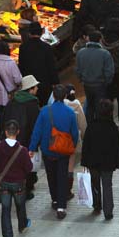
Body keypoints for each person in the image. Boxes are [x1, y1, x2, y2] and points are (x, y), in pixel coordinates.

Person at [29, 84, 79, 220]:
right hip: (63, 151)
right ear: (64, 96)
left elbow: (37, 131)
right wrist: (72, 146)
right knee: (62, 176)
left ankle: (55, 200)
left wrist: (32, 148)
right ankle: (62, 206)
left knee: (51, 176)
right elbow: (74, 133)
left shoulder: (45, 111)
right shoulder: (70, 113)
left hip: (47, 149)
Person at [0, 119, 33, 237]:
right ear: (18, 132)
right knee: (20, 206)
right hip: (19, 184)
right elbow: (29, 168)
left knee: (5, 209)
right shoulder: (22, 150)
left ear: (5, 132)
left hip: (4, 184)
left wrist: (0, 171)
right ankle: (22, 225)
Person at [80, 98, 119, 220]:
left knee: (95, 183)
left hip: (93, 162)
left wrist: (84, 161)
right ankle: (108, 211)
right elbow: (117, 147)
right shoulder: (112, 127)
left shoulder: (91, 126)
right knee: (107, 185)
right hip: (108, 163)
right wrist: (117, 162)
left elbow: (86, 145)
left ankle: (96, 204)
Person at [3, 75, 41, 199]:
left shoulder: (12, 102)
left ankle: (17, 188)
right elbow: (36, 125)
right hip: (27, 140)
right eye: (35, 87)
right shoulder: (32, 103)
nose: (37, 89)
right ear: (30, 89)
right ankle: (25, 190)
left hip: (12, 139)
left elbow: (4, 119)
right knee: (27, 166)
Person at [75, 30, 114, 122]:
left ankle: (90, 124)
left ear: (88, 39)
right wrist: (106, 82)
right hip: (100, 85)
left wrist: (81, 79)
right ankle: (101, 125)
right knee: (100, 106)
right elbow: (109, 72)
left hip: (87, 85)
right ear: (100, 39)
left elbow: (77, 69)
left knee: (90, 105)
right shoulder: (105, 53)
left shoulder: (80, 53)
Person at [0, 41, 22, 136]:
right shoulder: (11, 63)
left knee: (1, 115)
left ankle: (1, 133)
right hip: (9, 95)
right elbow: (18, 80)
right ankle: (10, 134)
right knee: (10, 116)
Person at [18, 21, 58, 106]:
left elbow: (21, 66)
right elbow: (52, 66)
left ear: (29, 33)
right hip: (45, 83)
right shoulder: (46, 47)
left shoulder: (23, 48)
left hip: (30, 85)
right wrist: (55, 82)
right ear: (41, 33)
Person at [63, 84, 87, 199]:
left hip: (58, 140)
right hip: (72, 140)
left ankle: (61, 187)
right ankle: (68, 189)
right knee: (70, 166)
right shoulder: (77, 105)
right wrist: (84, 137)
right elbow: (82, 124)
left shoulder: (58, 104)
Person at [102, 27, 119, 124]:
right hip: (118, 73)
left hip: (107, 74)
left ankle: (110, 120)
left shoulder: (102, 43)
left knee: (109, 98)